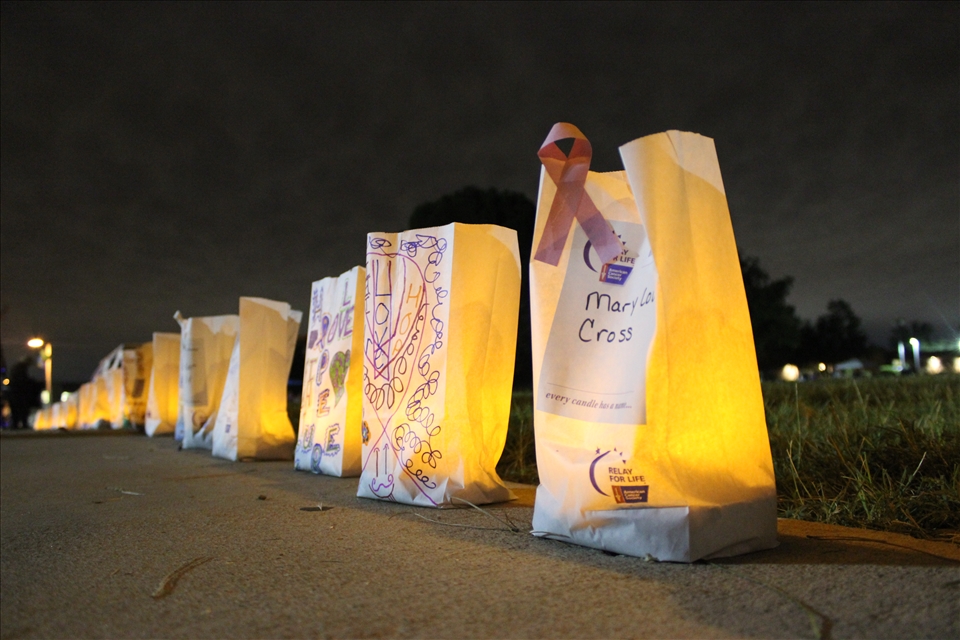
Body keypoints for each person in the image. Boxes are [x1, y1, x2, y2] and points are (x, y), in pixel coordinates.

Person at [9, 358, 41, 429]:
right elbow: (24, 381)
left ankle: (16, 425)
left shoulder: (16, 369)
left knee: (16, 413)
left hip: (16, 394)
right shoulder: (21, 370)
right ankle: (22, 424)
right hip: (21, 395)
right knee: (22, 412)